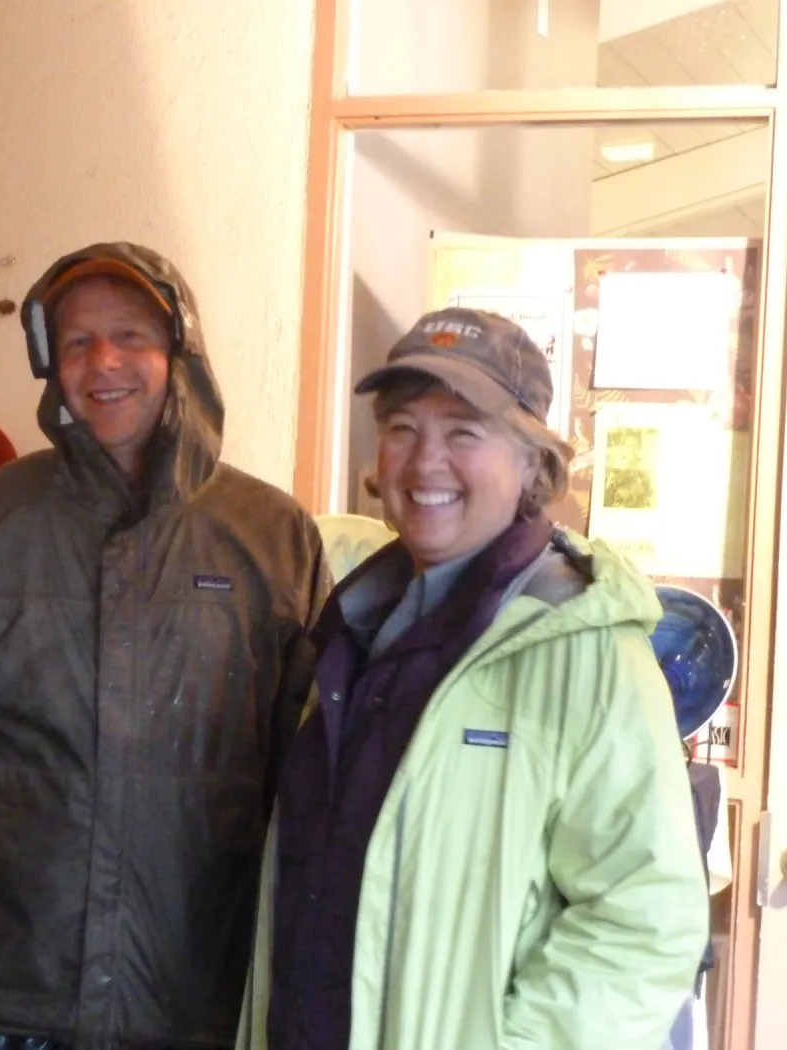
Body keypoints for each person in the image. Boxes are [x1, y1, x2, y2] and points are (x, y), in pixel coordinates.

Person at [0, 244, 325, 1050]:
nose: (103, 362)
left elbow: (314, 786)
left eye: (130, 336)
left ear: (180, 352)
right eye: (78, 341)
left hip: (197, 1001)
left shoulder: (271, 536)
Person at [237, 307, 709, 1050]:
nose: (425, 461)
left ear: (532, 463)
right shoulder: (350, 628)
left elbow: (644, 922)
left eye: (463, 431)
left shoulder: (585, 650)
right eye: (402, 428)